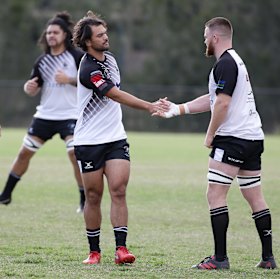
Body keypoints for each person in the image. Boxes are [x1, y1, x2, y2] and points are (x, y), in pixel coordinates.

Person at [155, 17, 277, 270]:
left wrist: (210, 134)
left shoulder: (225, 64)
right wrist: (177, 109)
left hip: (233, 139)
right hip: (252, 137)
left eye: (205, 36)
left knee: (215, 194)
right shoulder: (234, 62)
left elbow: (222, 104)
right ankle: (268, 259)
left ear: (215, 37)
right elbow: (213, 98)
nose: (204, 40)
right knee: (254, 196)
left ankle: (220, 259)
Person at [72, 11, 168, 265]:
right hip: (89, 142)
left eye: (106, 33)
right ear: (87, 41)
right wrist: (149, 105)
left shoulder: (111, 59)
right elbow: (114, 94)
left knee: (119, 190)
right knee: (93, 196)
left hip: (115, 138)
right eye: (100, 35)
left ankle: (121, 249)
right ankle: (94, 251)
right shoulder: (88, 68)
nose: (106, 37)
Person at [0, 11, 86, 213]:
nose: (51, 36)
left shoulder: (77, 57)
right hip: (45, 116)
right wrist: (28, 88)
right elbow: (33, 86)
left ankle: (84, 199)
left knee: (74, 154)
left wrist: (70, 80)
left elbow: (90, 81)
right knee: (24, 154)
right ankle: (5, 195)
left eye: (55, 32)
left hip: (71, 115)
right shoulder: (42, 61)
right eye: (48, 33)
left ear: (65, 34)